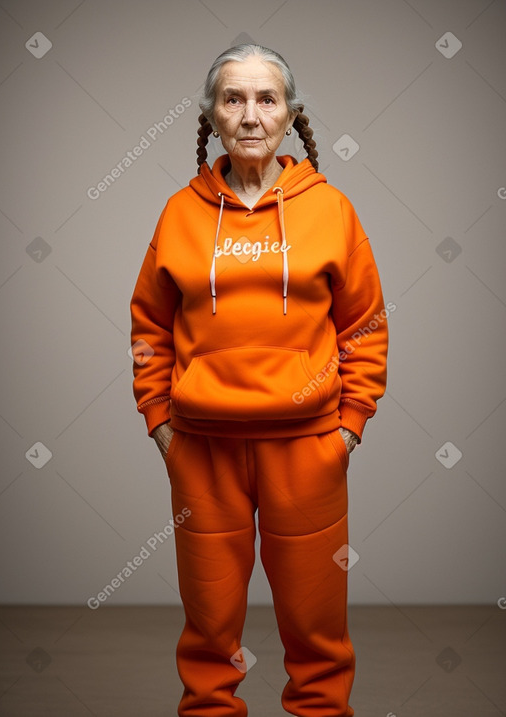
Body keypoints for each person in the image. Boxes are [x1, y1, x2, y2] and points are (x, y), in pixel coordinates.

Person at [130, 43, 388, 717]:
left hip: (308, 449)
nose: (250, 114)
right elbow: (149, 330)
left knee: (317, 635)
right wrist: (162, 426)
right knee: (210, 636)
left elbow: (365, 325)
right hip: (202, 450)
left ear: (289, 114)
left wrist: (348, 429)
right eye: (233, 98)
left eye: (266, 98)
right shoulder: (179, 213)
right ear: (212, 115)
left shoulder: (331, 210)